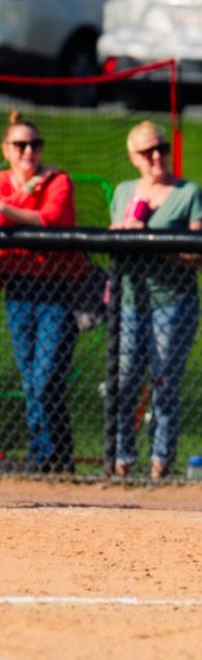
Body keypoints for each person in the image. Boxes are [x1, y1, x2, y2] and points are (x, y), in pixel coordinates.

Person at [109, 121, 202, 480]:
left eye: (161, 148)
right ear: (133, 157)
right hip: (130, 301)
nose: (156, 156)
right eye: (147, 151)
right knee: (125, 380)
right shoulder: (124, 192)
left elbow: (198, 255)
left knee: (164, 381)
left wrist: (152, 241)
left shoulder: (188, 193)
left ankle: (160, 460)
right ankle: (121, 456)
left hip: (172, 302)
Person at [0, 110, 84, 472]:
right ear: (6, 149)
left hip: (57, 291)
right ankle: (49, 457)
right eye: (20, 145)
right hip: (18, 289)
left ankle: (50, 455)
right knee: (30, 379)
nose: (28, 151)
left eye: (35, 144)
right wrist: (24, 194)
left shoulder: (57, 181)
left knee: (45, 378)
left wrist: (8, 207)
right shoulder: (3, 182)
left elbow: (50, 219)